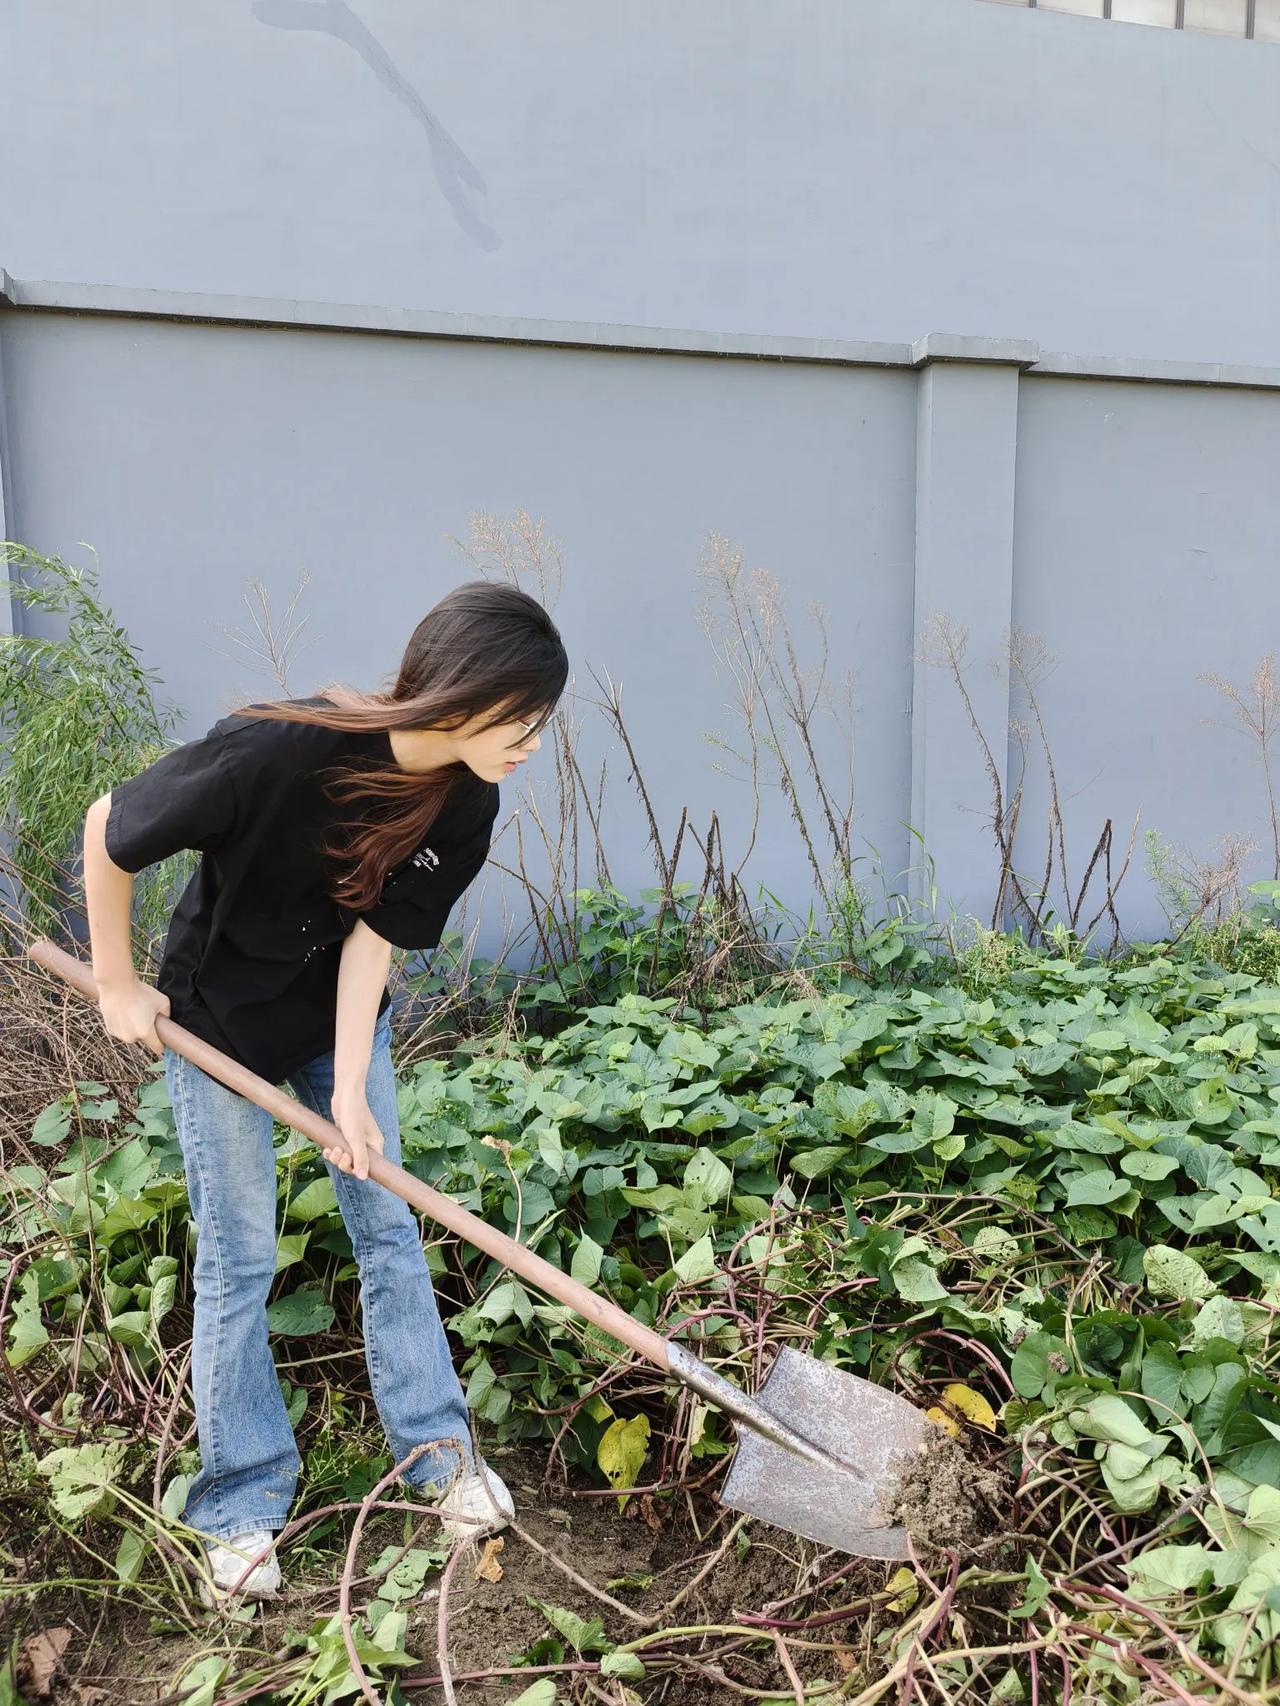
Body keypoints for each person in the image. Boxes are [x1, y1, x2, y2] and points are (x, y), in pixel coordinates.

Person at [81, 579, 568, 1606]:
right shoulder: (278, 750)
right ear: (459, 691)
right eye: (518, 713)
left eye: (541, 718)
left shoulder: (469, 800)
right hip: (217, 1023)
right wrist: (119, 981)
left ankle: (438, 1459)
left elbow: (374, 940)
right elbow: (108, 824)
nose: (530, 738)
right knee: (241, 1255)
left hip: (333, 1019)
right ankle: (241, 1504)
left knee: (388, 1222)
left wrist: (349, 1087)